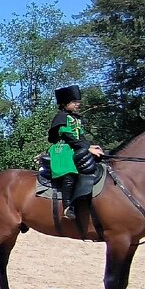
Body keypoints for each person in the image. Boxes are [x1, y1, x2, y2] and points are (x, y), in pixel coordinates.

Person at [48, 85, 104, 219]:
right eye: (74, 102)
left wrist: (90, 146)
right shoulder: (61, 118)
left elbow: (81, 137)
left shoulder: (76, 118)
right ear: (64, 103)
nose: (77, 104)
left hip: (76, 147)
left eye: (78, 102)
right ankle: (68, 207)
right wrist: (87, 148)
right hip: (63, 149)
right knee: (70, 172)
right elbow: (69, 137)